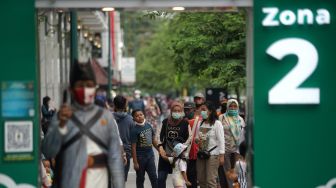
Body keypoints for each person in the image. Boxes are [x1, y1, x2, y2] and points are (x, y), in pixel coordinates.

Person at [42, 60, 124, 188]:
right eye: (80, 85)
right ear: (71, 89)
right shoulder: (62, 116)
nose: (85, 89)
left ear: (95, 88)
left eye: (89, 85)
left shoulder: (106, 117)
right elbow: (48, 151)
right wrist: (61, 125)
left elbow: (114, 157)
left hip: (99, 180)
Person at [157, 101, 190, 188]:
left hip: (178, 157)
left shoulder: (185, 123)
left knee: (178, 182)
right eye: (175, 111)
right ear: (171, 111)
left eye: (179, 111)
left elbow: (189, 138)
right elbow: (159, 136)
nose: (177, 112)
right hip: (165, 155)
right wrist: (160, 148)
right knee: (160, 178)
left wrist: (180, 149)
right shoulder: (165, 122)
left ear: (182, 111)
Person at [195, 102, 225, 188]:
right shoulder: (200, 123)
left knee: (211, 180)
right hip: (201, 154)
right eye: (201, 110)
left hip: (213, 155)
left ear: (210, 111)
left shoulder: (217, 124)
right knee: (201, 179)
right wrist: (197, 140)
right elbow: (196, 138)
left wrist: (221, 155)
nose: (202, 112)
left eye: (204, 110)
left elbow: (221, 140)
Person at [218, 99, 246, 188]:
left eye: (235, 106)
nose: (233, 108)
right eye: (231, 106)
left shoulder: (241, 119)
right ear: (227, 107)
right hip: (225, 149)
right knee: (227, 172)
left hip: (237, 151)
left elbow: (243, 135)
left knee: (237, 172)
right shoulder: (222, 117)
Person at [131, 109, 158, 188]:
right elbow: (133, 147)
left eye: (141, 114)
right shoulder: (134, 130)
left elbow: (153, 140)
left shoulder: (148, 125)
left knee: (154, 177)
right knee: (140, 179)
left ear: (144, 115)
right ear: (134, 119)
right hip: (140, 158)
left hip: (150, 156)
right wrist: (135, 162)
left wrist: (160, 150)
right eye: (137, 116)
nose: (139, 117)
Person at [113, 95, 135, 181]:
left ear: (114, 105)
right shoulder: (130, 120)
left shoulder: (108, 118)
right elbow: (133, 139)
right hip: (126, 152)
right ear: (125, 105)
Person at [183, 101, 199, 188]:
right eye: (185, 110)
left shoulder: (199, 121)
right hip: (185, 155)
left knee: (193, 178)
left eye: (188, 110)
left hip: (195, 154)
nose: (186, 112)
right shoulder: (182, 122)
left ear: (194, 110)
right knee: (187, 179)